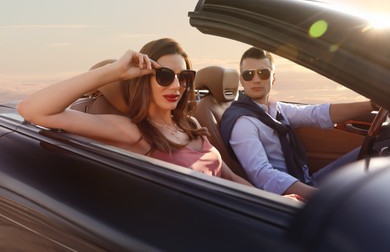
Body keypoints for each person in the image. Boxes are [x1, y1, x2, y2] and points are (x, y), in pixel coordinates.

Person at [17, 38, 251, 187]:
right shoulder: (132, 132)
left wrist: (276, 204)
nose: (176, 85)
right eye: (165, 76)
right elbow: (32, 109)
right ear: (143, 80)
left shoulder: (188, 123)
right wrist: (115, 72)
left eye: (184, 77)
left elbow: (229, 178)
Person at [220, 47, 377, 200]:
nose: (256, 79)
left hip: (306, 180)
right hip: (288, 197)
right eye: (248, 75)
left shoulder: (275, 109)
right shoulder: (243, 121)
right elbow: (262, 174)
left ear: (273, 78)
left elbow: (316, 114)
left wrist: (372, 105)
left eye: (263, 73)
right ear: (242, 80)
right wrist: (317, 197)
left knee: (374, 148)